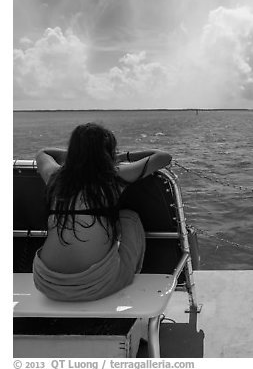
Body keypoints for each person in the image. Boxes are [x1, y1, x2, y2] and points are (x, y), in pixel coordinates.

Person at [33, 122, 172, 301]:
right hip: (97, 285)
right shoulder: (115, 176)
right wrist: (121, 156)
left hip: (46, 283)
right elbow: (164, 157)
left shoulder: (54, 175)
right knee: (129, 217)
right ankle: (129, 274)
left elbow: (42, 153)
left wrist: (80, 155)